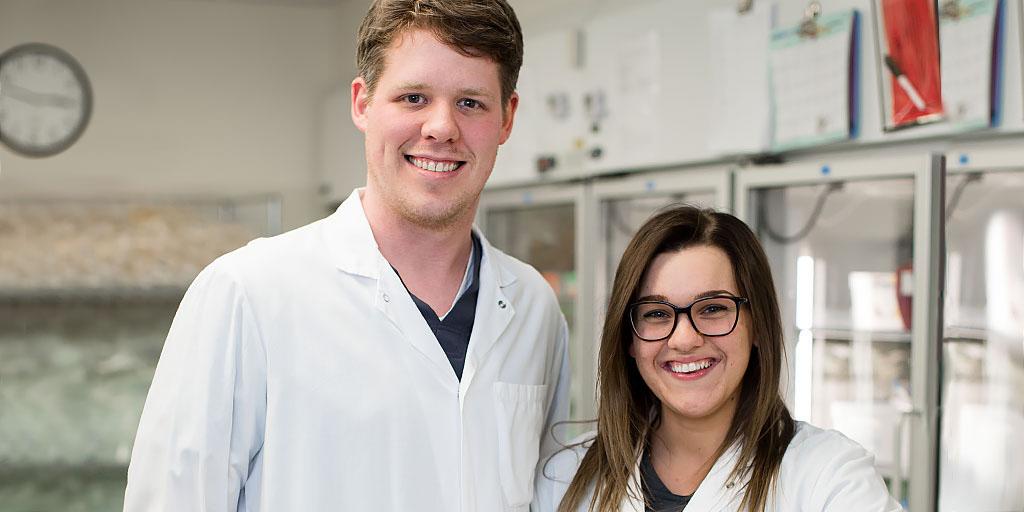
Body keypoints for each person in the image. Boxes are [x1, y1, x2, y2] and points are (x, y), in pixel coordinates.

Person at [123, 1, 569, 510]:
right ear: (362, 103)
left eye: (471, 103)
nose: (441, 127)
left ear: (507, 118)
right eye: (414, 97)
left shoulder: (534, 306)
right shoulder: (247, 294)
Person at [533, 205, 901, 512]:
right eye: (657, 314)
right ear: (629, 338)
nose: (685, 339)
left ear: (757, 326)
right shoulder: (567, 476)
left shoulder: (830, 478)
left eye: (712, 308)